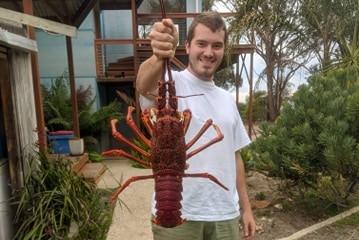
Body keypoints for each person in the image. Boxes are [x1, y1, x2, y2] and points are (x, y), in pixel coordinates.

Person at [136, 11, 256, 240]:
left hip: (225, 217)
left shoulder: (227, 99)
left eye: (217, 46)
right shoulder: (171, 82)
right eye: (202, 44)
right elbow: (143, 85)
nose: (209, 53)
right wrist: (159, 55)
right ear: (188, 46)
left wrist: (246, 208)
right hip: (179, 217)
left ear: (224, 50)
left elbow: (235, 157)